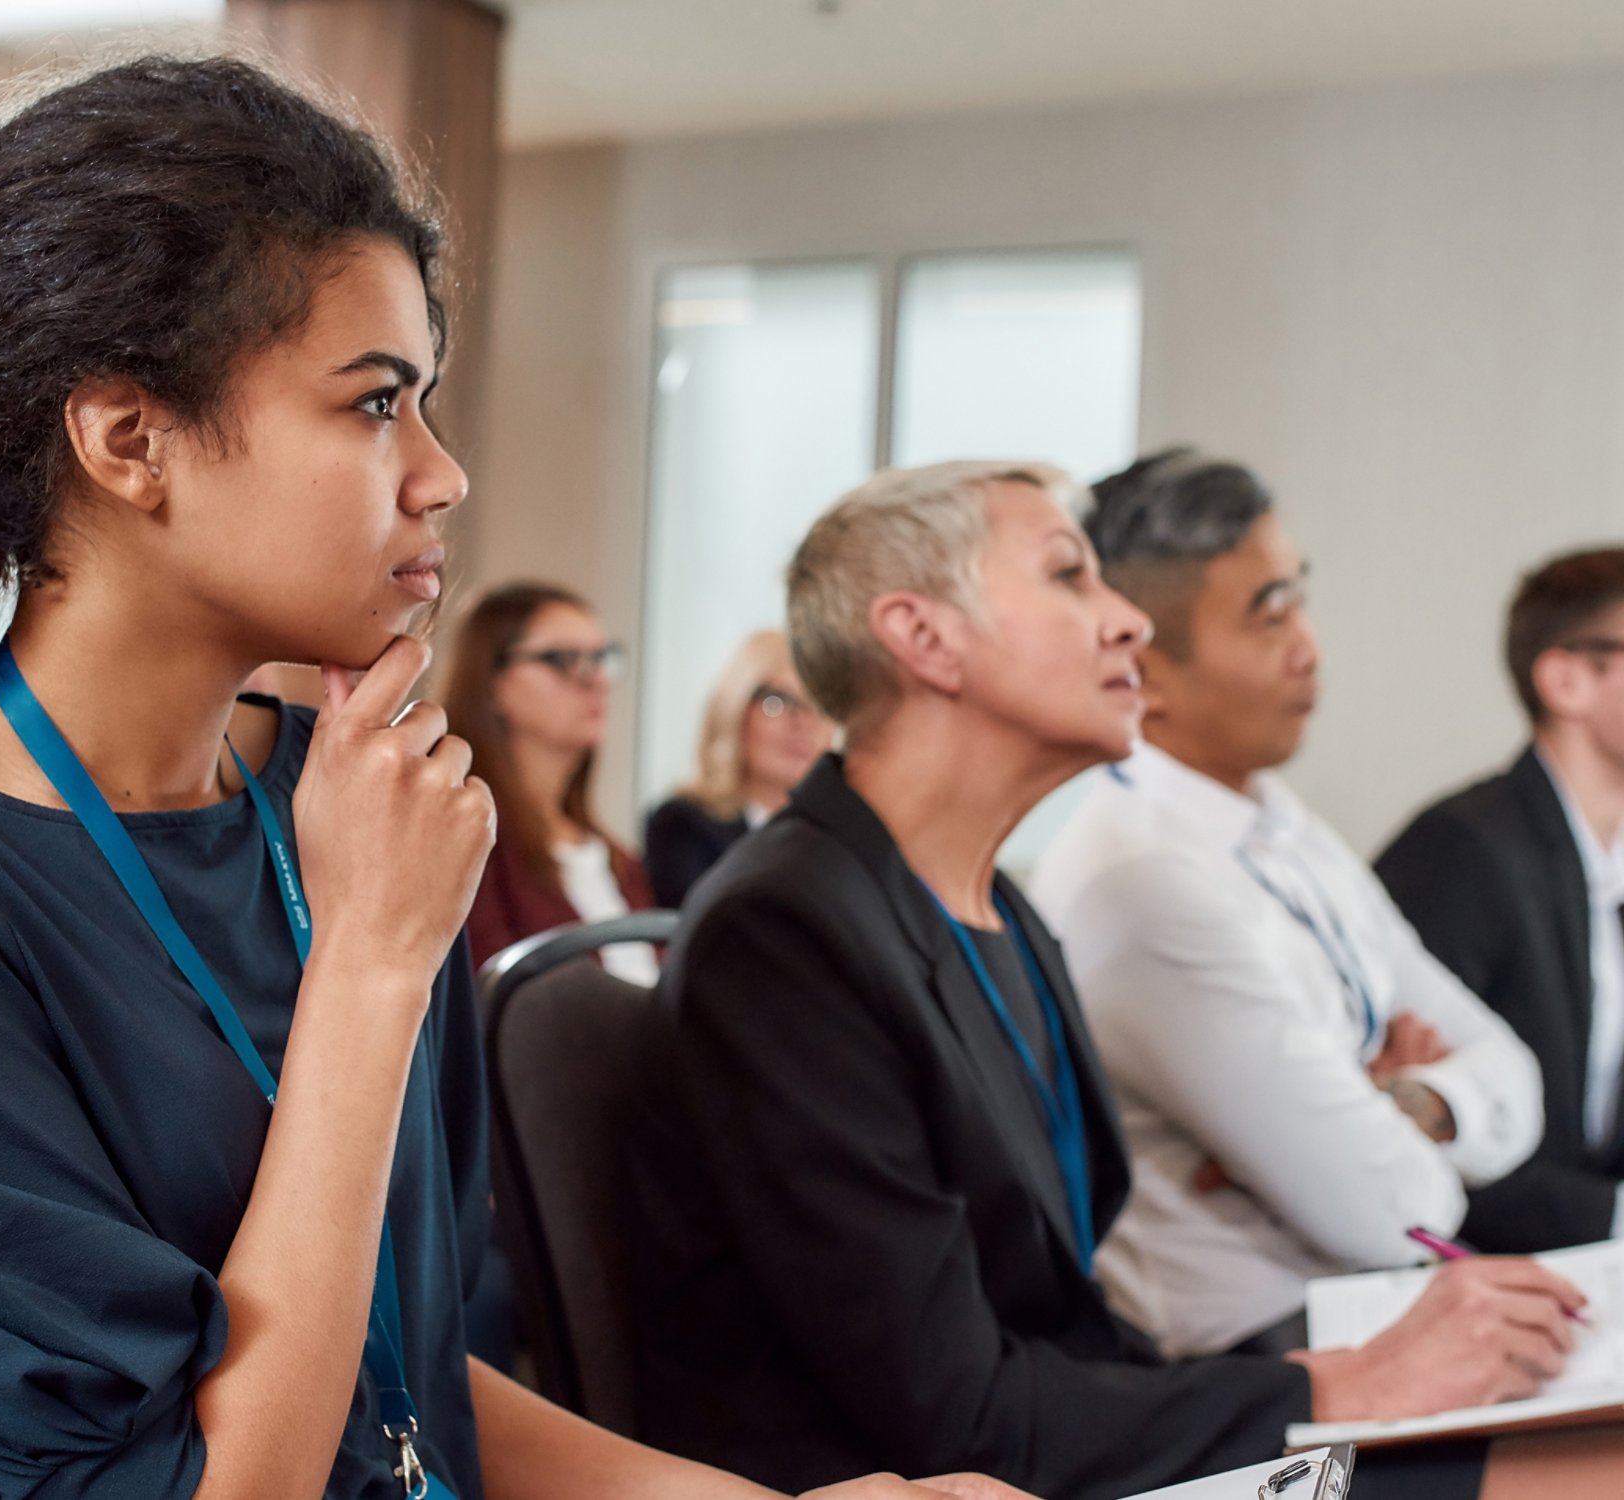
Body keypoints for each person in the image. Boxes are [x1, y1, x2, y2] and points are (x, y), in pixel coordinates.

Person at [0, 55, 1013, 1500]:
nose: (441, 476)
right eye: (375, 405)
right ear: (130, 439)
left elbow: (402, 1377)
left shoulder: (336, 801)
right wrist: (369, 967)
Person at [629, 459, 1606, 1500]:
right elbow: (954, 1416)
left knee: (1573, 1434)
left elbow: (1059, 1337)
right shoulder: (787, 932)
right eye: (1068, 577)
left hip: (1079, 1431)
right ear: (923, 638)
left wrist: (1334, 1389)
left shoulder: (999, 910)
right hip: (936, 1479)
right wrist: (1337, 1386)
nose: (1126, 621)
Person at [1026, 451, 1543, 1360]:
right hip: (1253, 1366)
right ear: (1149, 665)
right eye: (1269, 616)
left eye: (1299, 597)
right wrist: (1392, 1115)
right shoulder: (1141, 877)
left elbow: (1514, 1077)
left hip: (1371, 1316)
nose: (1310, 645)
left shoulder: (1275, 820)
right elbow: (1391, 1209)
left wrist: (1395, 1102)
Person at [1378, 547, 1624, 1252]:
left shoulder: (1605, 858)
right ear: (1567, 679)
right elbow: (1411, 1124)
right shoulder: (1462, 850)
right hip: (1473, 1272)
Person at [446, 582, 658, 981]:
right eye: (565, 660)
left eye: (601, 658)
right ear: (493, 684)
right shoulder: (469, 834)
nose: (596, 680)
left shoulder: (619, 860)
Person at [643, 629, 833, 908]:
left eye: (817, 704)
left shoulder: (838, 837)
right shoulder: (683, 826)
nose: (803, 722)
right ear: (734, 709)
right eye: (777, 702)